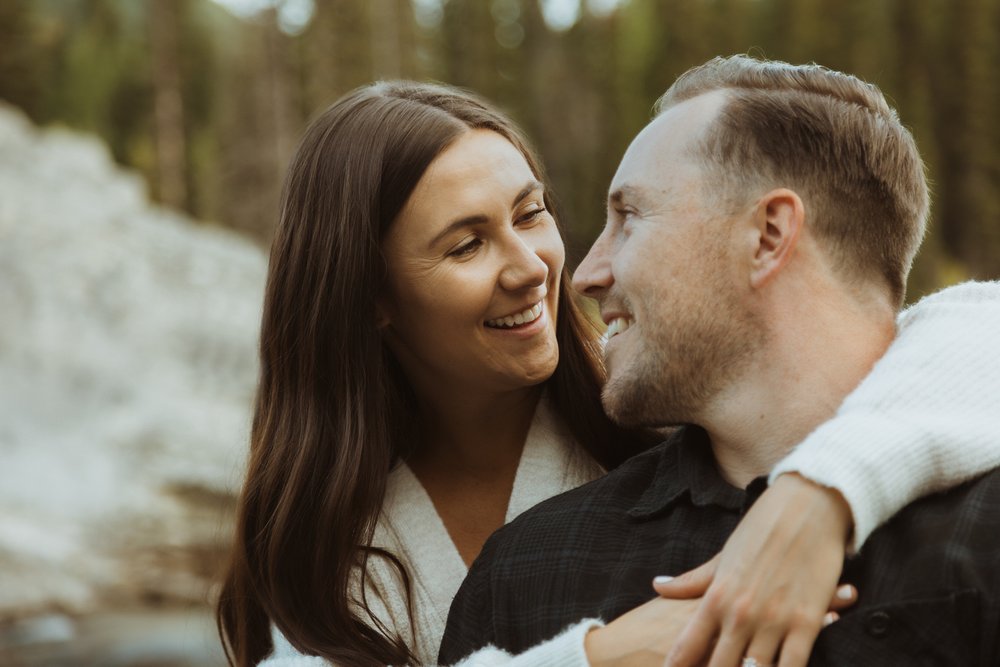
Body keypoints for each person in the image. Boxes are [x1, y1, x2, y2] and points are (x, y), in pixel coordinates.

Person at [215, 79, 1000, 667]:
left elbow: (959, 333)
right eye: (465, 244)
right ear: (375, 297)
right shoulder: (326, 553)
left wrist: (821, 490)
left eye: (532, 212)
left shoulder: (682, 406)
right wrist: (593, 657)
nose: (539, 267)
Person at [438, 56, 1000, 667]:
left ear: (767, 234)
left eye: (629, 218)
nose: (584, 275)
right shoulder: (528, 575)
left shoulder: (984, 529)